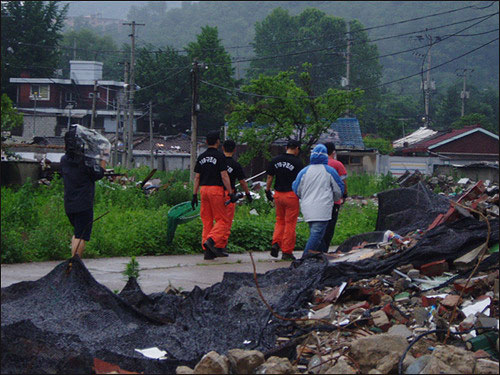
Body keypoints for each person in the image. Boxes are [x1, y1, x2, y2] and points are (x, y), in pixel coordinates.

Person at [61, 125, 108, 258]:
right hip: (84, 204)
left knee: (77, 233)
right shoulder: (86, 160)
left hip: (69, 203)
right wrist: (104, 159)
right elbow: (98, 174)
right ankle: (75, 264)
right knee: (81, 235)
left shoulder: (64, 160)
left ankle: (73, 262)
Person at [292, 144, 344, 258]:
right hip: (323, 208)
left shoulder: (304, 171)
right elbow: (338, 189)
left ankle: (321, 257)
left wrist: (304, 198)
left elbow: (296, 188)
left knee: (317, 234)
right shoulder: (329, 171)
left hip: (307, 208)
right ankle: (304, 259)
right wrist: (334, 199)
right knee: (317, 234)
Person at [192, 131, 236, 260]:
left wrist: (194, 194)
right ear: (218, 142)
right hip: (216, 190)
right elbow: (224, 175)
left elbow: (197, 177)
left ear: (206, 142)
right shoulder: (220, 157)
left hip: (203, 190)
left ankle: (207, 251)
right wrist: (231, 192)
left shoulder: (201, 157)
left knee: (207, 221)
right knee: (222, 220)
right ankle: (211, 241)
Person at [265, 139, 303, 261]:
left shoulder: (275, 160)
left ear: (286, 147)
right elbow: (301, 181)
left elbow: (270, 176)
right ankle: (286, 251)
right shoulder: (298, 162)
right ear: (297, 149)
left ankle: (276, 243)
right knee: (290, 224)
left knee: (280, 221)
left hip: (278, 195)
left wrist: (267, 190)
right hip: (291, 195)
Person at [221, 139, 253, 251]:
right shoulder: (235, 165)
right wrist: (248, 194)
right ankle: (221, 245)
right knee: (226, 221)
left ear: (222, 148)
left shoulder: (217, 162)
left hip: (215, 192)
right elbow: (242, 182)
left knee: (216, 219)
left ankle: (210, 241)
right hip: (229, 194)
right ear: (234, 150)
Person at [319, 142, 348, 253]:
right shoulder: (337, 164)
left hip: (319, 200)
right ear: (333, 152)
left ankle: (318, 250)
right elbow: (343, 182)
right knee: (330, 227)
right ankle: (324, 251)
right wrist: (344, 195)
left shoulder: (318, 164)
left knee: (319, 226)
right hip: (334, 201)